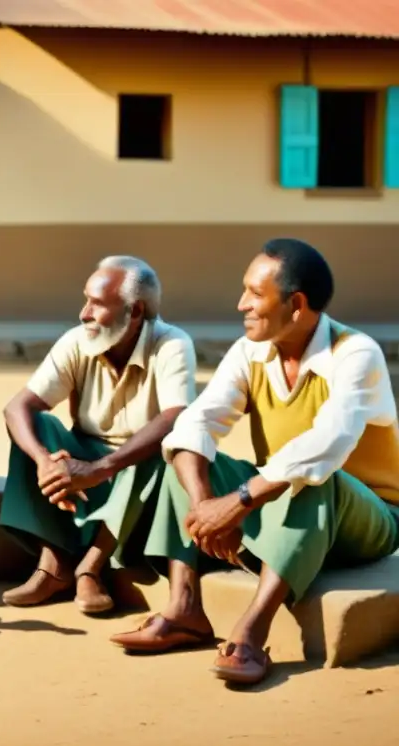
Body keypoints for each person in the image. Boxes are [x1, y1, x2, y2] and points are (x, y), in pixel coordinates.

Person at [111, 238, 399, 685]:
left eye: (254, 293)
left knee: (316, 476)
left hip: (369, 520)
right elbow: (197, 423)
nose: (241, 303)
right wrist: (207, 505)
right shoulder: (251, 351)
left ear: (296, 304)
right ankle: (184, 607)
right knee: (184, 462)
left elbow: (327, 444)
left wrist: (238, 503)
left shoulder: (356, 354)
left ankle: (251, 631)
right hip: (280, 500)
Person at [0, 256, 196, 613]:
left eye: (97, 304)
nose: (84, 313)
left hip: (140, 482)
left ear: (135, 311)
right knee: (37, 427)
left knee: (160, 445)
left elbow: (176, 417)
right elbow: (17, 407)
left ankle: (91, 567)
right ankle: (54, 562)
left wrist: (102, 468)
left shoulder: (172, 344)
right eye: (86, 299)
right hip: (83, 472)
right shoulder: (78, 340)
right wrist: (45, 462)